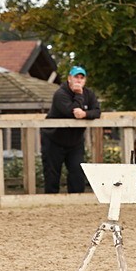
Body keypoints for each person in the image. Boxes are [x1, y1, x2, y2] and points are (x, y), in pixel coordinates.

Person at [42, 65, 102, 193]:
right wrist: (79, 95)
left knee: (77, 171)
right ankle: (50, 202)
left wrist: (85, 114)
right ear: (69, 79)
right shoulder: (60, 94)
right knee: (52, 174)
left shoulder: (89, 94)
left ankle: (77, 201)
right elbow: (71, 112)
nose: (79, 80)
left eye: (82, 78)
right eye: (76, 77)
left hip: (75, 141)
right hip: (54, 139)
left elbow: (97, 111)